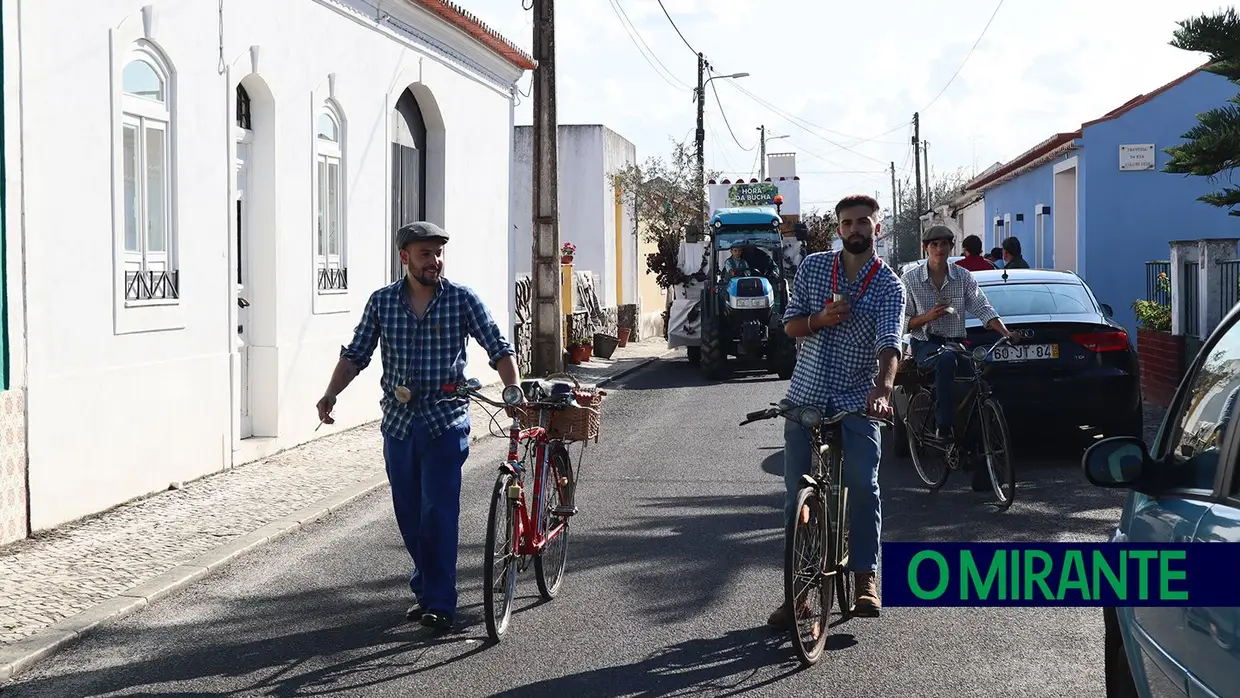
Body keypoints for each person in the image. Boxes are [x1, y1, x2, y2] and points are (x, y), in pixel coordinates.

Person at [315, 221, 520, 632]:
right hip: (398, 425)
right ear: (404, 256)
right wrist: (329, 394)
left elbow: (497, 346)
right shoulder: (383, 302)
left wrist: (513, 387)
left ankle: (441, 602)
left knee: (438, 511)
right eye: (425, 254)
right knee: (409, 514)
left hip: (445, 421)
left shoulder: (462, 300)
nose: (435, 261)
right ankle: (426, 587)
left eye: (439, 253)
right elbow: (356, 354)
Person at [776, 193, 905, 620]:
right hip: (805, 396)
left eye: (863, 222)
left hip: (856, 397)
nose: (855, 229)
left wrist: (883, 391)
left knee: (864, 484)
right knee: (799, 495)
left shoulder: (888, 285)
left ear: (876, 228)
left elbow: (890, 345)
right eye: (847, 223)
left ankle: (866, 575)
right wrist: (820, 320)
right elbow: (791, 324)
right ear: (837, 230)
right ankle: (799, 593)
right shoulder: (813, 269)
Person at [904, 226, 1018, 489]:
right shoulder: (910, 279)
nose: (940, 250)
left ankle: (984, 461)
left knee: (983, 378)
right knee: (945, 360)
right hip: (926, 344)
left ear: (951, 247)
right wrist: (928, 317)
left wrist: (1007, 332)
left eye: (945, 244)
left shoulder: (963, 277)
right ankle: (943, 427)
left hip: (956, 343)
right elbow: (904, 323)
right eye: (934, 245)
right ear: (926, 248)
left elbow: (983, 307)